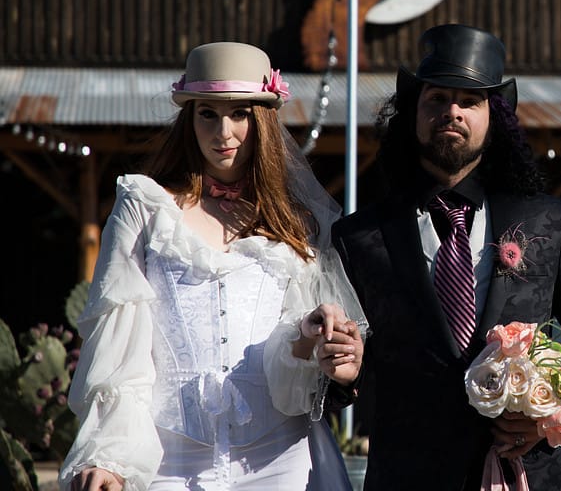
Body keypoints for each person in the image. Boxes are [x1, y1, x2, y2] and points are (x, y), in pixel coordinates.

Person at [324, 24, 561, 490]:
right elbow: (340, 378)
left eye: (470, 101)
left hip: (524, 472)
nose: (452, 111)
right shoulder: (358, 237)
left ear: (494, 116)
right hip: (407, 476)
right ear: (412, 113)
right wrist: (343, 375)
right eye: (437, 98)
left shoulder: (548, 222)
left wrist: (551, 412)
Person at [59, 42, 369, 491]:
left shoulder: (295, 223)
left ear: (263, 120)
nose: (223, 132)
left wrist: (310, 337)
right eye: (207, 113)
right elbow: (118, 348)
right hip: (168, 459)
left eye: (239, 113)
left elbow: (291, 377)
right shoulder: (144, 209)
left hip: (279, 460)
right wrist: (108, 455)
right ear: (190, 118)